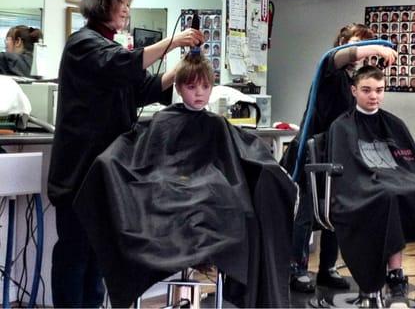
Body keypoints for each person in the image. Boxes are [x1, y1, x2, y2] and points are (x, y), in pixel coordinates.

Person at [73, 53, 297, 307]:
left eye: (205, 86)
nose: (199, 93)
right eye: (191, 87)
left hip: (207, 197)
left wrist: (271, 171)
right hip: (170, 195)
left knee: (237, 212)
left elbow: (249, 153)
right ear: (178, 88)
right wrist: (109, 165)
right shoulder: (163, 121)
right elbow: (133, 158)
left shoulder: (217, 125)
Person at [47, 0, 204, 308]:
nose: (126, 10)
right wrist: (173, 42)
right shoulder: (83, 45)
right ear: (102, 1)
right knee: (75, 256)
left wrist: (182, 68)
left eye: (128, 3)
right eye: (122, 2)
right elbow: (122, 64)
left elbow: (143, 88)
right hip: (78, 174)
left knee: (98, 257)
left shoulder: (109, 48)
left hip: (105, 175)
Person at [329, 66, 415, 308]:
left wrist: (405, 180)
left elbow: (410, 163)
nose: (374, 96)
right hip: (362, 191)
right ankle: (396, 280)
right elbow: (348, 171)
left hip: (394, 183)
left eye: (379, 90)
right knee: (389, 196)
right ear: (353, 90)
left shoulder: (394, 124)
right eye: (367, 90)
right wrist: (383, 180)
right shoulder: (342, 126)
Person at [281, 23, 397, 294]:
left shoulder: (354, 83)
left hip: (336, 152)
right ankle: (295, 268)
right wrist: (375, 47)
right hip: (310, 151)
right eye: (358, 47)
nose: (362, 56)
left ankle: (327, 268)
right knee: (305, 214)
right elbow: (339, 56)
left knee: (335, 212)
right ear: (343, 44)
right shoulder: (330, 71)